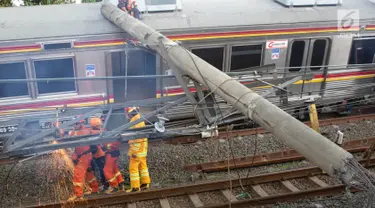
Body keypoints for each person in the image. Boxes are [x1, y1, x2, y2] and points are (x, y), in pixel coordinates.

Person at [68, 120, 99, 201]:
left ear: (81, 123)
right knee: (89, 173)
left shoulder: (83, 131)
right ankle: (94, 188)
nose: (74, 126)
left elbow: (71, 137)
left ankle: (78, 195)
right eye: (74, 124)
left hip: (84, 156)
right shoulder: (83, 131)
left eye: (76, 124)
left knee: (77, 174)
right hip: (85, 156)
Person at [125, 107, 151, 193]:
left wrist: (132, 152)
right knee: (143, 167)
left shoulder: (133, 122)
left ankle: (135, 187)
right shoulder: (140, 119)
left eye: (128, 114)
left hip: (136, 152)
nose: (127, 116)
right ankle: (145, 183)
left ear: (131, 113)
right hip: (143, 150)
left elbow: (134, 139)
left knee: (133, 169)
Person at [89, 117, 109, 193]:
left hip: (99, 154)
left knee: (102, 170)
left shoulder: (92, 132)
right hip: (101, 153)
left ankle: (106, 185)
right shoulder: (103, 131)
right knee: (102, 170)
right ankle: (105, 185)